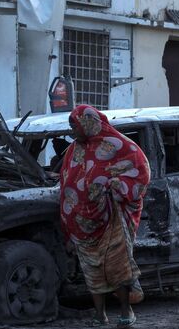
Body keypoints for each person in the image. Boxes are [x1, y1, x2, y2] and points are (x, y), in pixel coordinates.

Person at [59, 105, 150, 328]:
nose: (73, 131)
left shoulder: (120, 145)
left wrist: (115, 185)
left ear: (88, 123)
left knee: (117, 267)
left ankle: (126, 312)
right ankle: (100, 316)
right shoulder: (74, 150)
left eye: (75, 126)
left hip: (112, 219)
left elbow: (141, 172)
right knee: (92, 270)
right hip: (83, 223)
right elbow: (66, 180)